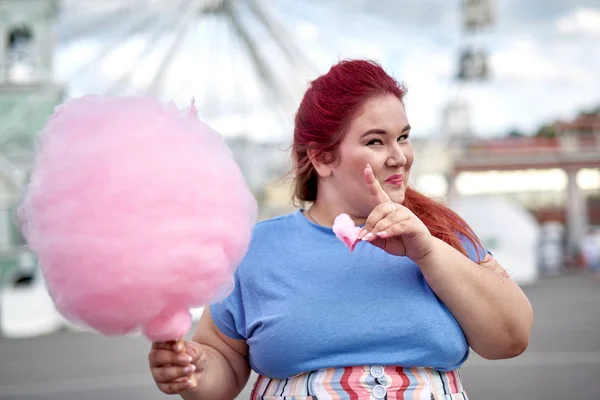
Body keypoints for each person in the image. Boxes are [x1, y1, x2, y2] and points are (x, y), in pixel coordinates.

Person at [148, 59, 534, 399]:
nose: (399, 156)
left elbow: (511, 339)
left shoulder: (441, 232)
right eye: (375, 142)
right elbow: (225, 363)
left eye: (403, 136)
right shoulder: (255, 250)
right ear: (322, 158)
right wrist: (193, 369)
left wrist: (427, 251)